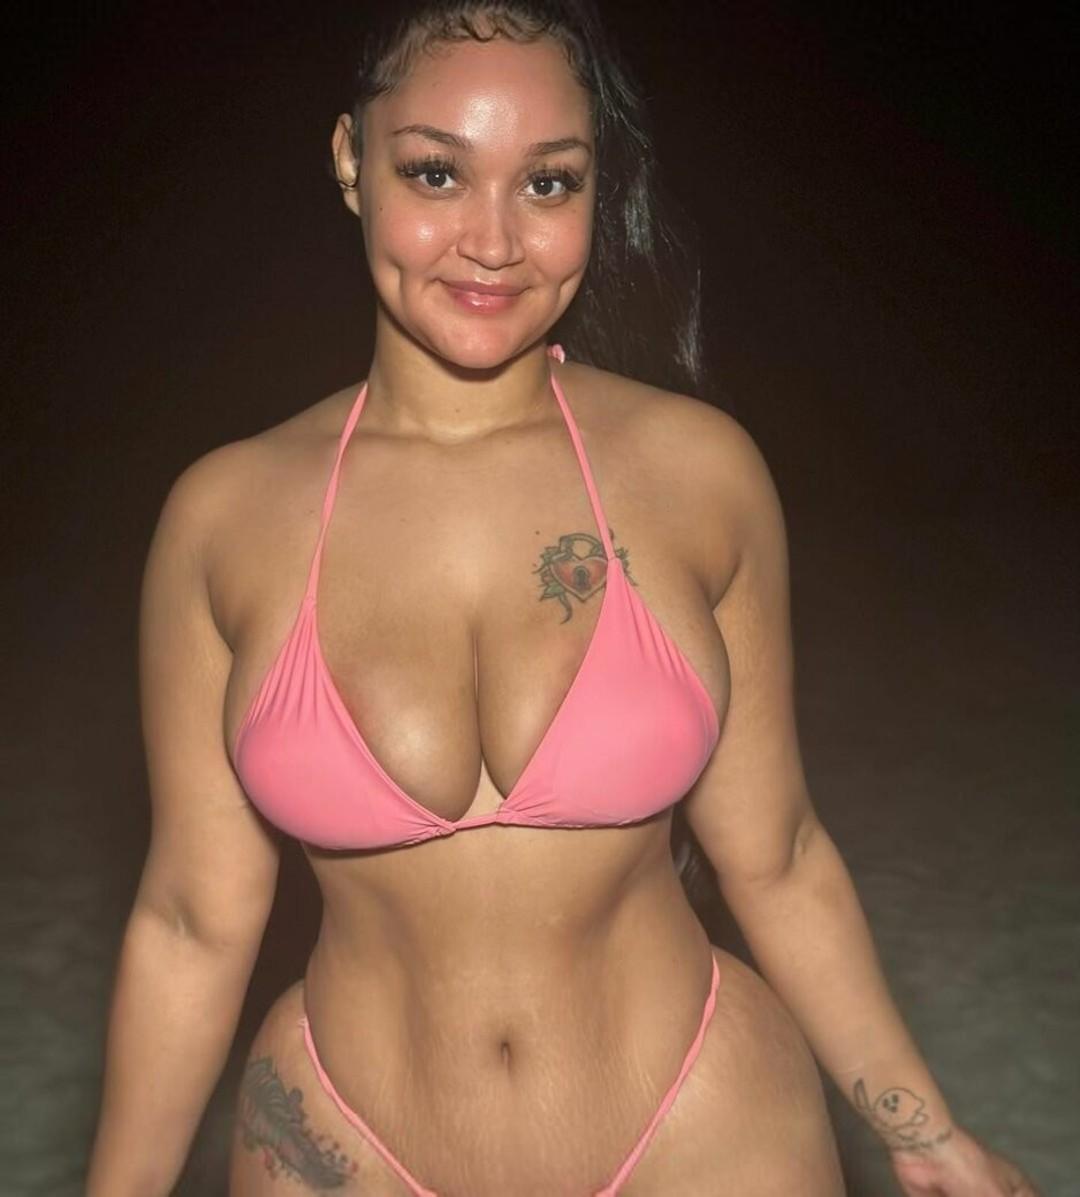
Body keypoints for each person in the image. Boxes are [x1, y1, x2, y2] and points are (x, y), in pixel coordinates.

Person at [87, 3, 1040, 1194]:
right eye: (436, 173)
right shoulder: (227, 518)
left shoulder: (698, 475)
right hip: (339, 1147)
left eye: (547, 184)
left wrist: (923, 1130)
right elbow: (191, 920)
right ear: (350, 161)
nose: (492, 242)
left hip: (703, 1128)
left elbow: (780, 854)